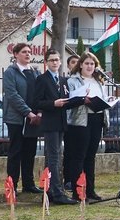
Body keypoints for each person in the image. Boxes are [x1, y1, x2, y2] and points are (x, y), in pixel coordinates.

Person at [33, 48, 76, 204]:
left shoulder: (63, 80)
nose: (55, 63)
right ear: (46, 62)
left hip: (62, 122)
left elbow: (68, 100)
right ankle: (57, 192)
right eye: (51, 60)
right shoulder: (42, 79)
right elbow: (36, 102)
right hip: (50, 123)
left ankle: (53, 190)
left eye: (57, 60)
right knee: (53, 158)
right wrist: (53, 103)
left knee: (58, 156)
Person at [64, 50, 108, 202]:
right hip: (80, 121)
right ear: (81, 64)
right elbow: (70, 100)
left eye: (92, 64)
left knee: (91, 156)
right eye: (87, 63)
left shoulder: (99, 81)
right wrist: (83, 99)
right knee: (79, 157)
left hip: (97, 118)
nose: (90, 66)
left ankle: (90, 190)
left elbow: (103, 99)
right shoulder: (72, 80)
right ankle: (77, 192)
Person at [2, 42, 41, 195]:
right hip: (16, 118)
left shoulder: (35, 72)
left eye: (29, 52)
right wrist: (28, 112)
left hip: (33, 119)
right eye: (24, 52)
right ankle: (12, 185)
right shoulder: (10, 72)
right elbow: (12, 95)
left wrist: (39, 112)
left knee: (30, 151)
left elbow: (39, 93)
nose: (27, 54)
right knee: (15, 151)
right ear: (16, 54)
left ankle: (29, 184)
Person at [62, 53, 79, 191]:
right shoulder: (66, 81)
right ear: (68, 65)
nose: (76, 64)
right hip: (68, 119)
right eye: (73, 62)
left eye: (78, 62)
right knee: (68, 151)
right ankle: (67, 179)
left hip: (81, 120)